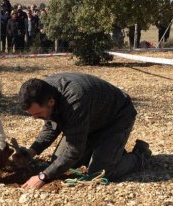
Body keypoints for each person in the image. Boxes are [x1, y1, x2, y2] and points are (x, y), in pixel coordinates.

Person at [16, 72, 152, 189]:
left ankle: (140, 155)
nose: (35, 118)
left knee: (100, 172)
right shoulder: (43, 91)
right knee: (58, 160)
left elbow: (74, 150)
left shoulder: (74, 100)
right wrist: (31, 152)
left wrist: (42, 177)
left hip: (117, 117)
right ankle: (111, 151)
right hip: (91, 120)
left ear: (51, 102)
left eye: (38, 114)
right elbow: (51, 126)